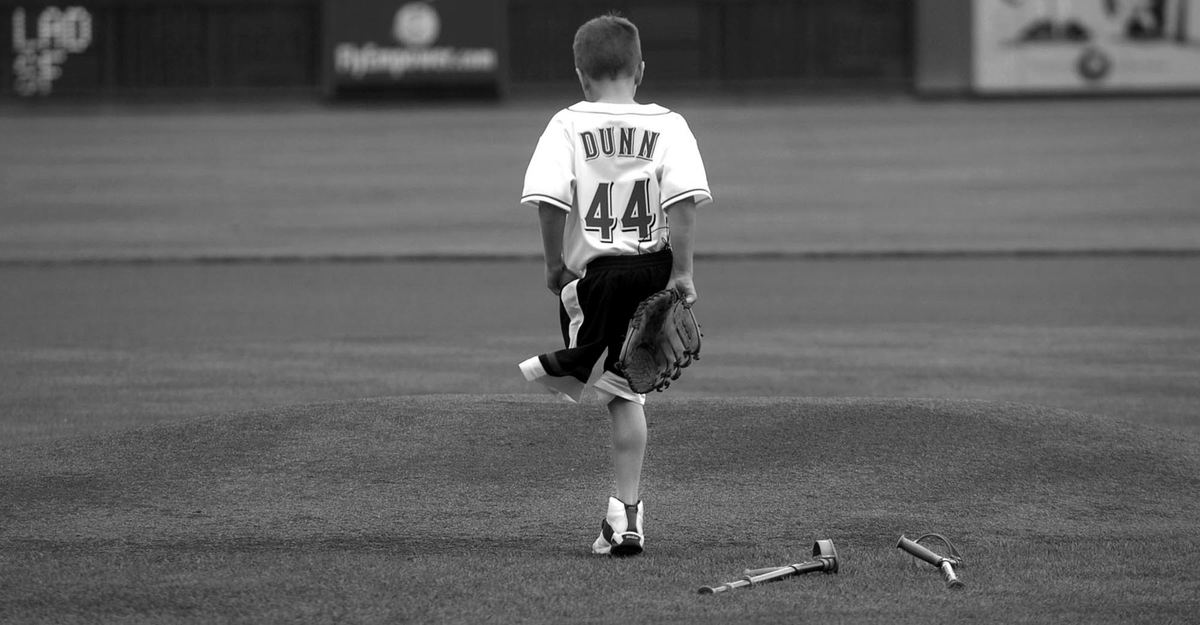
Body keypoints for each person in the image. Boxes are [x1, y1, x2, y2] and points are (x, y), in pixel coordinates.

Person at [517, 13, 713, 557]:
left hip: (597, 278)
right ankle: (626, 513)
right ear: (640, 69)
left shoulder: (566, 124)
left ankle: (625, 515)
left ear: (581, 74)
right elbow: (683, 202)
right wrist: (683, 274)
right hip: (655, 270)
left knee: (614, 391)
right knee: (629, 395)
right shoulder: (669, 124)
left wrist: (555, 265)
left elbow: (550, 201)